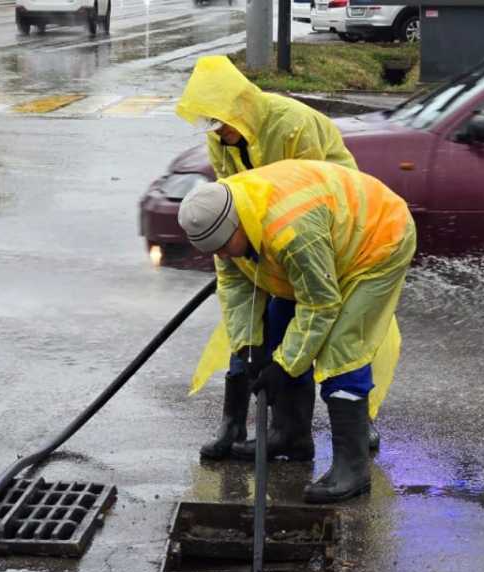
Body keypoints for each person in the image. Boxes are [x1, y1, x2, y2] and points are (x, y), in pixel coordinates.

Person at [177, 160, 416, 503]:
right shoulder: (223, 222)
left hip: (376, 241)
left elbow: (320, 304)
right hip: (324, 244)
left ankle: (353, 469)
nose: (221, 255)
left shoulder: (291, 229)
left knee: (341, 348)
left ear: (238, 225)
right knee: (276, 327)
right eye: (214, 251)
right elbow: (235, 285)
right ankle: (290, 436)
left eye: (225, 246)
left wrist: (283, 366)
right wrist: (252, 345)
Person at [176, 55, 360, 465]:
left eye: (220, 122)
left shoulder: (292, 125)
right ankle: (239, 422)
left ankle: (353, 425)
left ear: (238, 108)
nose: (218, 134)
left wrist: (283, 254)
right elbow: (229, 199)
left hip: (316, 231)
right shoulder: (219, 138)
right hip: (257, 233)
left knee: (321, 325)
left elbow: (318, 193)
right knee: (247, 324)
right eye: (210, 125)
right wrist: (236, 251)